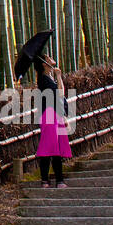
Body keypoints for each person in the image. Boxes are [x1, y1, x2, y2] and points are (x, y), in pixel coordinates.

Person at [34, 55, 71, 187]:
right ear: (44, 63)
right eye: (48, 58)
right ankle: (50, 180)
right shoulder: (43, 80)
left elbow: (61, 94)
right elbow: (59, 95)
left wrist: (59, 76)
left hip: (55, 115)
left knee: (57, 146)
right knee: (50, 147)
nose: (51, 58)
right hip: (49, 115)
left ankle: (55, 180)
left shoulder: (49, 78)